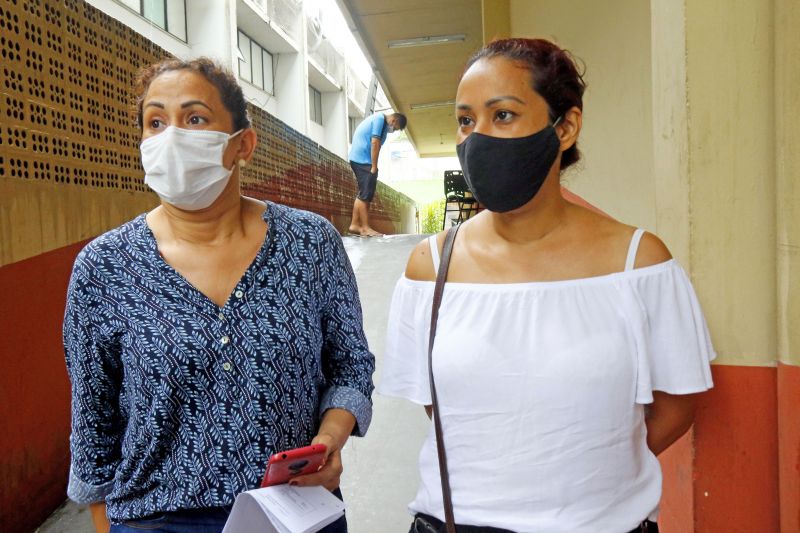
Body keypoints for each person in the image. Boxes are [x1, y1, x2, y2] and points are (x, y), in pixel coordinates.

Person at [379, 38, 715, 533]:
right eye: (467, 120)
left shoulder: (639, 263)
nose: (479, 137)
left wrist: (588, 472)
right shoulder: (431, 267)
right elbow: (446, 409)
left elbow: (676, 406)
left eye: (504, 115)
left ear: (566, 126)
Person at [63, 57, 375, 533]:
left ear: (241, 144)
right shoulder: (104, 266)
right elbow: (92, 422)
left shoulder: (309, 243)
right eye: (155, 122)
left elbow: (351, 365)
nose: (172, 136)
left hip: (294, 510)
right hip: (155, 518)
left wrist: (330, 438)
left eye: (194, 118)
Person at [347, 111, 407, 236]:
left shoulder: (383, 126)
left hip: (361, 159)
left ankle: (354, 225)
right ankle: (365, 227)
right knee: (365, 194)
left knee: (364, 194)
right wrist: (374, 166)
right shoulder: (380, 120)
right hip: (362, 160)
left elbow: (377, 145)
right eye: (395, 129)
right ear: (393, 121)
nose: (393, 130)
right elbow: (375, 143)